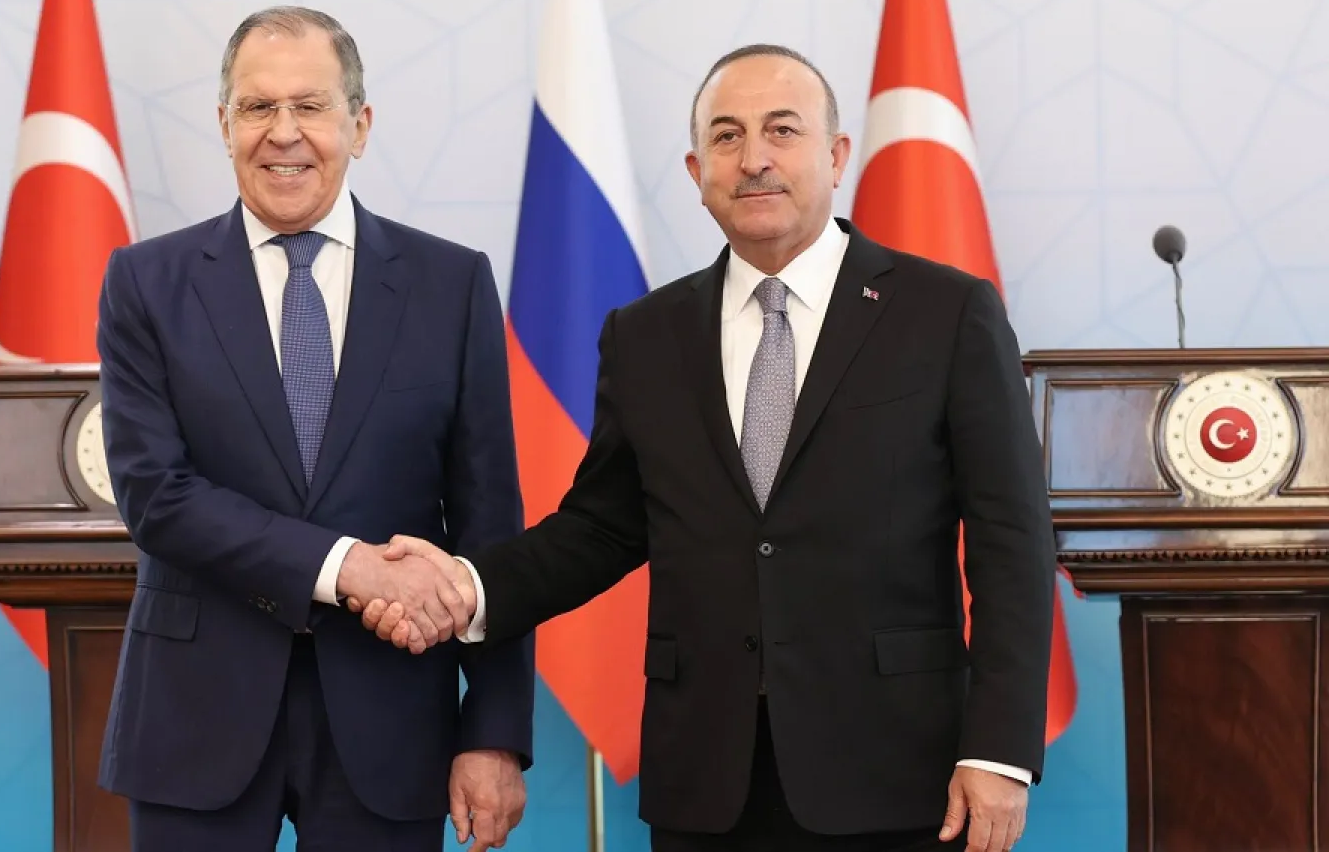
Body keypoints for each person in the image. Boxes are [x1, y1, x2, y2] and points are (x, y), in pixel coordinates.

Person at [350, 44, 1055, 852]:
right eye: (726, 137)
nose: (753, 158)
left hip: (898, 772)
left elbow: (1012, 542)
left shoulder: (947, 312)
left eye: (781, 130)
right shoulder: (648, 333)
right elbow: (601, 528)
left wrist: (999, 748)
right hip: (705, 782)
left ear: (835, 155)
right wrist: (465, 587)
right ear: (696, 170)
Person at [94, 5, 534, 852]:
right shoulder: (147, 282)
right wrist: (348, 568)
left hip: (393, 718)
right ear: (224, 126)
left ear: (359, 125)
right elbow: (156, 496)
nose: (283, 133)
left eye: (311, 106)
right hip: (195, 715)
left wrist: (493, 727)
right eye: (257, 108)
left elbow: (490, 526)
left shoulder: (452, 284)